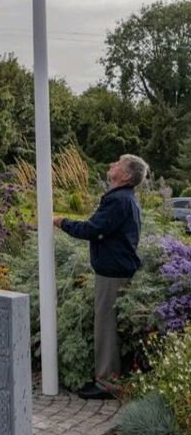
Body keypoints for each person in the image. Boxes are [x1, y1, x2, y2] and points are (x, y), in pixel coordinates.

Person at [53, 154, 148, 400]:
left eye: (117, 164)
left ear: (126, 175)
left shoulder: (118, 200)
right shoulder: (125, 199)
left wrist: (62, 222)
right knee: (110, 325)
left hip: (113, 274)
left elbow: (92, 229)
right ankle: (112, 377)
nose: (111, 165)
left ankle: (107, 383)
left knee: (106, 327)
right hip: (118, 270)